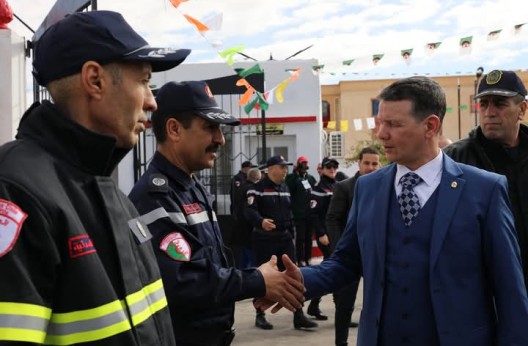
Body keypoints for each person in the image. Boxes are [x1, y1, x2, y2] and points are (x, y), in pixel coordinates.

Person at [259, 76, 528, 345]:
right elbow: (346, 262)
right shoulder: (368, 188)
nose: (381, 134)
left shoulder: (484, 190)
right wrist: (295, 282)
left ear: (430, 126)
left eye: (394, 124)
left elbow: (509, 289)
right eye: (379, 123)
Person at [0, 11, 191, 345]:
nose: (152, 102)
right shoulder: (16, 190)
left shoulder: (108, 190)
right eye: (144, 81)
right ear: (95, 80)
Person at [128, 81, 304, 346]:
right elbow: (182, 281)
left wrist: (260, 278)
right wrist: (256, 281)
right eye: (210, 128)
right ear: (174, 129)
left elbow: (208, 267)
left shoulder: (192, 186)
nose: (220, 139)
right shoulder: (154, 197)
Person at [443, 69, 528, 291]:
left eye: (499, 104)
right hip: (483, 291)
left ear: (522, 109)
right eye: (484, 104)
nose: (489, 112)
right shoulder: (453, 160)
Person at [245, 155, 318, 330]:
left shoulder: (285, 187)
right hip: (265, 239)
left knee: (294, 275)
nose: (285, 170)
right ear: (270, 169)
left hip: (284, 238)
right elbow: (249, 210)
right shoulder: (256, 189)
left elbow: (289, 210)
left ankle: (298, 314)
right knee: (263, 276)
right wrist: (261, 221)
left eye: (286, 167)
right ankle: (260, 314)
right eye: (282, 167)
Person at [326, 146, 381, 345]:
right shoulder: (345, 187)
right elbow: (332, 219)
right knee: (345, 304)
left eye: (375, 163)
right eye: (367, 163)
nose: (371, 167)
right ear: (359, 163)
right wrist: (341, 248)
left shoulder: (385, 187)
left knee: (377, 301)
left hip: (375, 255)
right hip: (350, 255)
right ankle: (341, 343)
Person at [305, 157, 340, 321]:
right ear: (322, 169)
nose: (332, 169)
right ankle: (338, 306)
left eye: (334, 166)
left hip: (336, 234)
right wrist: (320, 234)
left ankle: (314, 305)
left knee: (331, 270)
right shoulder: (319, 188)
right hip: (326, 235)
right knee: (333, 270)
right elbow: (314, 214)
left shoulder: (336, 185)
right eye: (328, 167)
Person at [285, 156, 317, 267]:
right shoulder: (292, 178)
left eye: (305, 163)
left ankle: (308, 258)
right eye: (302, 163)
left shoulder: (310, 178)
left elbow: (315, 192)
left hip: (309, 213)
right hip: (299, 213)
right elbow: (288, 188)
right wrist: (295, 174)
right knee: (300, 238)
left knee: (308, 238)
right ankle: (300, 259)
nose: (304, 165)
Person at [232, 167, 262, 269]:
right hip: (248, 227)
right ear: (258, 177)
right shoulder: (251, 189)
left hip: (239, 224)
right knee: (250, 256)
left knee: (243, 256)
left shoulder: (242, 187)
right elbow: (249, 209)